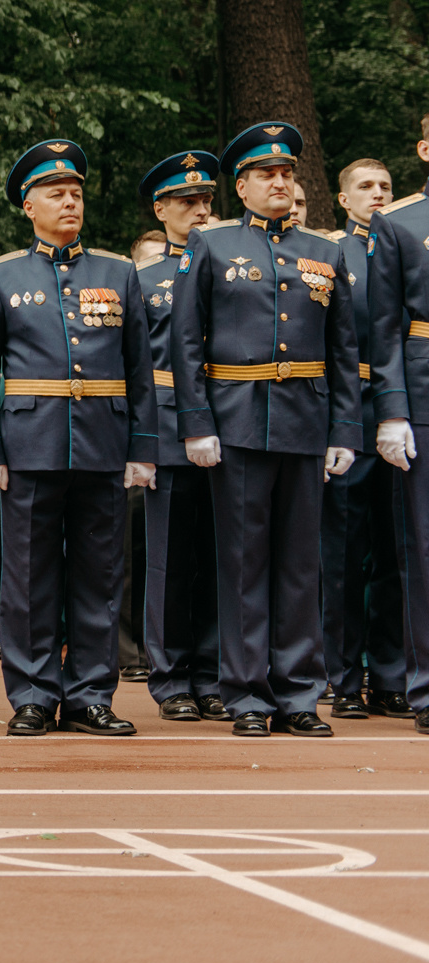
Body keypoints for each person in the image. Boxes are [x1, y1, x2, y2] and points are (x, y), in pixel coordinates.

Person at [174, 122, 361, 737]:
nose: (280, 182)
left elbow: (343, 349)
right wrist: (197, 424)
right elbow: (186, 342)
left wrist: (345, 429)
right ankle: (249, 696)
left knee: (301, 566)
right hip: (237, 422)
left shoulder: (325, 251)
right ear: (243, 186)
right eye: (266, 175)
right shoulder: (213, 245)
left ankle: (300, 694)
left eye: (286, 173)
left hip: (306, 422)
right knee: (244, 564)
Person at [0, 138, 156, 737]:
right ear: (29, 205)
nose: (70, 202)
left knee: (101, 575)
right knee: (27, 576)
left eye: (75, 193)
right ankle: (32, 692)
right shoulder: (0, 275)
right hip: (30, 443)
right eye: (56, 193)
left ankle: (90, 694)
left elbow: (139, 370)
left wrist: (143, 448)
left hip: (102, 442)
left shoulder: (118, 272)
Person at [135, 149, 228, 723]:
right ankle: (171, 678)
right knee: (168, 557)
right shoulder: (141, 279)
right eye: (186, 201)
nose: (199, 210)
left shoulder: (235, 265)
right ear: (161, 208)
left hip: (229, 417)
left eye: (205, 201)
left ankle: (214, 673)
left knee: (222, 556)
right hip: (167, 422)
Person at [322, 157, 407, 718]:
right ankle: (344, 677)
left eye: (385, 186)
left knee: (398, 548)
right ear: (343, 198)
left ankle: (394, 675)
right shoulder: (330, 254)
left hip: (399, 406)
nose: (377, 195)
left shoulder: (408, 247)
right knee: (345, 550)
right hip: (347, 404)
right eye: (366, 187)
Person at [367, 112, 429, 735]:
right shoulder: (401, 223)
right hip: (426, 396)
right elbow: (383, 328)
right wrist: (392, 411)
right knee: (425, 549)